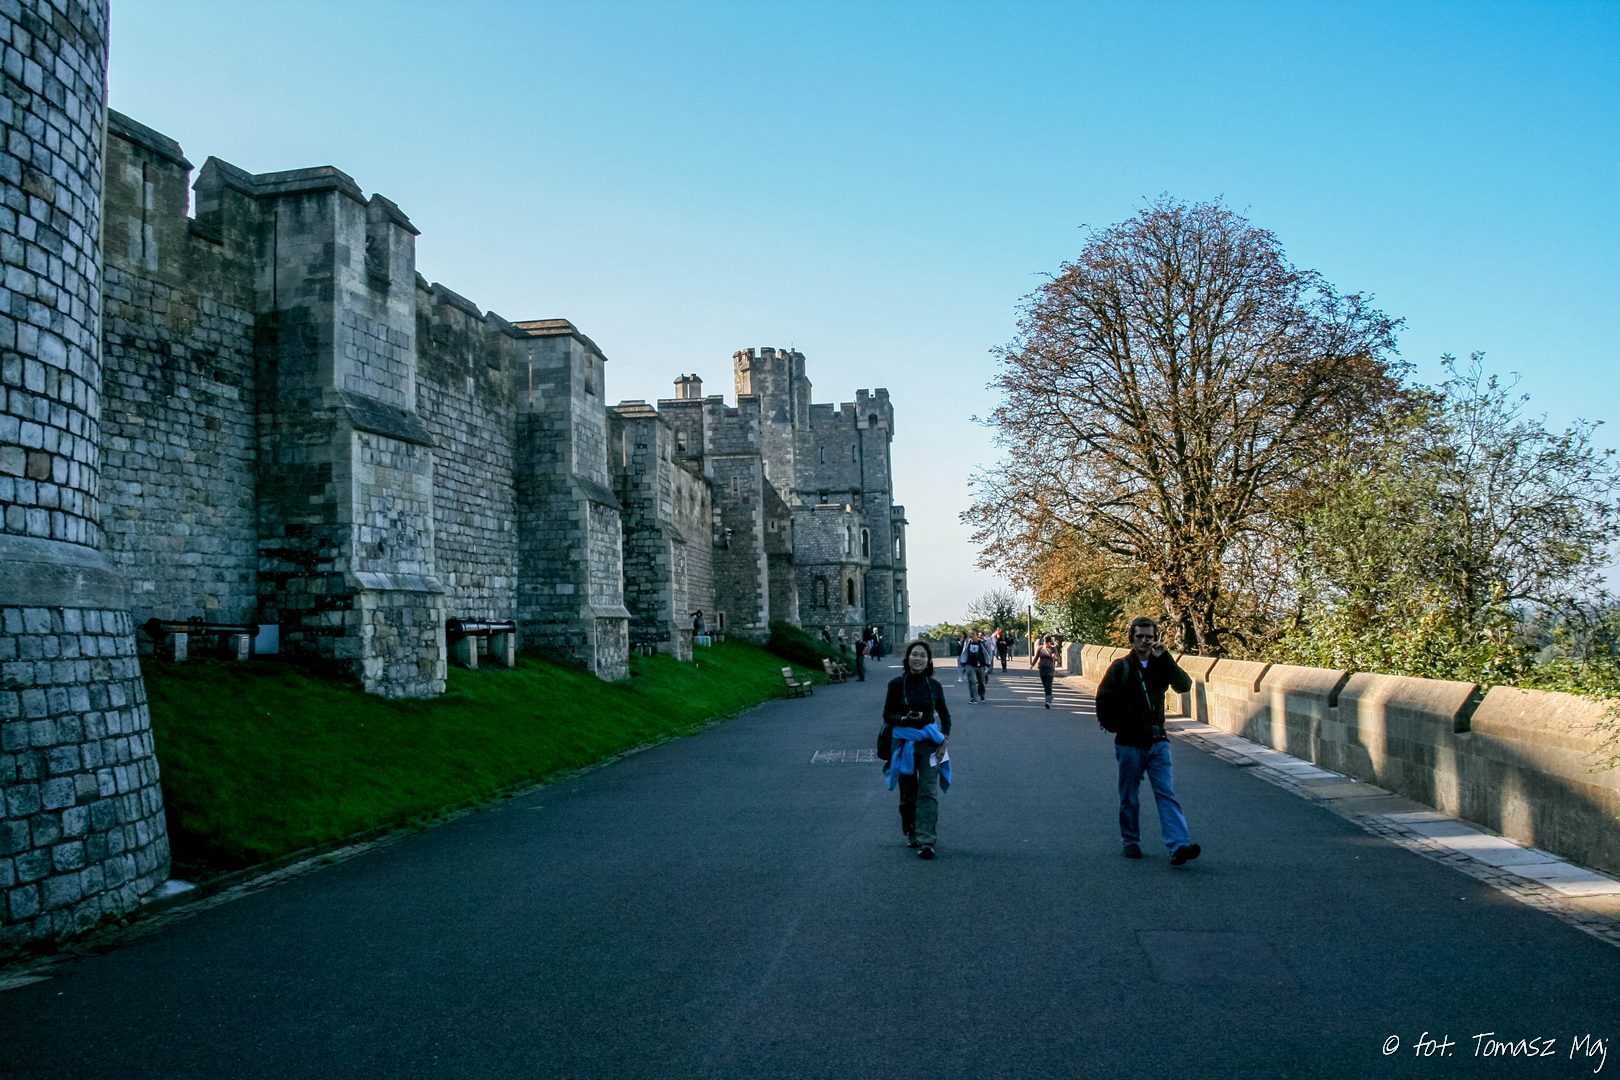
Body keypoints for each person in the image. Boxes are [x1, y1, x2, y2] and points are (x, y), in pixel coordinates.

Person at [1094, 617, 1201, 865]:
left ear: (1155, 638)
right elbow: (1103, 699)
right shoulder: (1121, 667)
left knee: (1166, 794)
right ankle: (1130, 841)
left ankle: (1178, 845)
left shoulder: (1159, 665)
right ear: (1132, 639)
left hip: (1158, 741)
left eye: (1149, 637)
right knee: (1129, 796)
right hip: (1130, 743)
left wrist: (1166, 658)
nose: (1144, 641)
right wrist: (1118, 726)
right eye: (1140, 636)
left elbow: (1183, 685)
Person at [879, 641, 952, 859]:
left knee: (928, 791)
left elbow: (945, 717)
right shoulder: (896, 684)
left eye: (922, 655)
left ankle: (926, 840)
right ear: (908, 658)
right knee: (908, 793)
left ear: (928, 661)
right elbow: (887, 714)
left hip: (929, 743)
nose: (918, 658)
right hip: (904, 744)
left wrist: (945, 740)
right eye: (914, 654)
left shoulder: (934, 686)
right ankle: (911, 829)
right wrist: (904, 718)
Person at [959, 630, 991, 703]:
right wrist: (964, 664)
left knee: (981, 681)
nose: (971, 636)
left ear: (977, 636)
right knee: (972, 681)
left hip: (981, 665)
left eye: (973, 634)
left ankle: (982, 695)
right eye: (971, 634)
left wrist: (987, 665)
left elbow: (987, 653)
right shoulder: (968, 642)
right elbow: (964, 652)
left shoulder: (982, 643)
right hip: (970, 664)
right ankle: (973, 698)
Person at [1030, 634, 1059, 708]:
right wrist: (1032, 665)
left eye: (1046, 642)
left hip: (1050, 669)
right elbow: (1036, 657)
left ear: (1049, 642)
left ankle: (1048, 702)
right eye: (1044, 641)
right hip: (1042, 669)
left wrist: (1055, 657)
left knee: (1048, 685)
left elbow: (1057, 659)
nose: (1045, 643)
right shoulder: (1040, 648)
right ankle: (1050, 696)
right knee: (1045, 685)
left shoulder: (1053, 648)